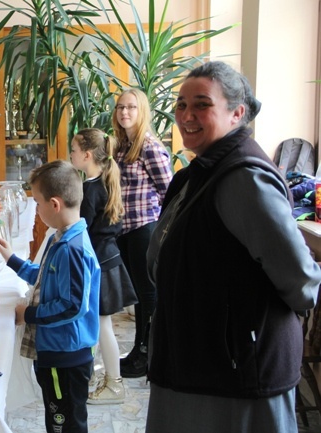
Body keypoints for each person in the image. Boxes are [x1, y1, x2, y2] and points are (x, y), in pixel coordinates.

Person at [145, 61, 321, 433]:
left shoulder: (243, 179)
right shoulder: (201, 172)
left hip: (233, 375)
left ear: (237, 113)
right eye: (180, 104)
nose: (187, 115)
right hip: (199, 361)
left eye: (202, 104)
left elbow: (301, 280)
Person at [0, 159, 100, 433]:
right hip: (57, 351)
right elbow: (44, 279)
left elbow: (72, 306)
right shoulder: (62, 238)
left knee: (65, 422)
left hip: (66, 355)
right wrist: (11, 260)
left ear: (55, 204)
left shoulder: (72, 248)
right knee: (59, 417)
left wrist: (27, 314)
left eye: (37, 203)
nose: (36, 209)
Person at [70, 128, 138, 405]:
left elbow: (80, 229)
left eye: (73, 150)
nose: (71, 155)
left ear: (86, 155)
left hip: (100, 264)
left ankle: (115, 384)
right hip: (108, 260)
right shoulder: (104, 182)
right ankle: (101, 376)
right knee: (99, 325)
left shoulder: (89, 189)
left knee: (101, 326)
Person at [112, 88, 173, 377]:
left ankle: (149, 355)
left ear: (142, 111)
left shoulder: (150, 147)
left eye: (131, 107)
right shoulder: (122, 147)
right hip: (125, 231)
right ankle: (139, 350)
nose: (125, 112)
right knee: (138, 295)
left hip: (144, 230)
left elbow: (171, 195)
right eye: (121, 107)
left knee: (148, 295)